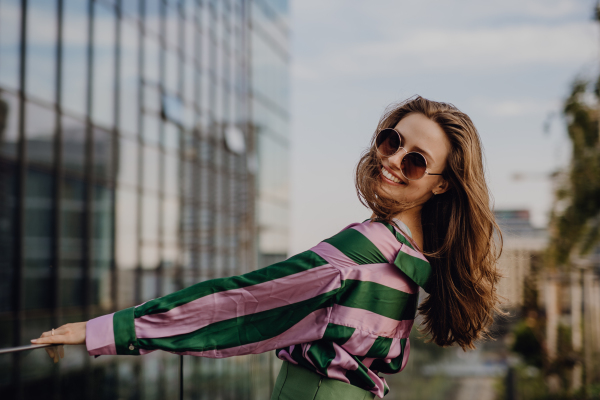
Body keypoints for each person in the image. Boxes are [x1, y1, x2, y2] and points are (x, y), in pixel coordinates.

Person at [32, 96, 502, 399]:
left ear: (442, 185)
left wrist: (111, 329)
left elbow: (243, 303)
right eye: (391, 141)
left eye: (417, 162)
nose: (394, 160)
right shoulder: (415, 260)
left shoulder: (366, 247)